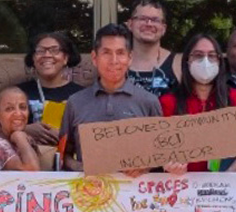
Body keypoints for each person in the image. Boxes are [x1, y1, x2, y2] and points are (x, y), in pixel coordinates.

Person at [58, 24, 164, 174]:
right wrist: (82, 168)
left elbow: (162, 156)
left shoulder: (149, 102)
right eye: (106, 53)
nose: (114, 60)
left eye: (120, 53)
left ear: (130, 58)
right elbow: (64, 154)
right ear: (95, 58)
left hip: (135, 193)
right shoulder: (75, 102)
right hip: (90, 192)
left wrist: (145, 166)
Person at [159, 33, 236, 172]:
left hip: (225, 189)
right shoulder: (168, 102)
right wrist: (170, 166)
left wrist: (226, 178)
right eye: (198, 55)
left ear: (219, 61)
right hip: (182, 186)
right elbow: (160, 151)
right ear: (187, 60)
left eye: (212, 55)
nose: (205, 61)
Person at [17, 31, 84, 151]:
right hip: (28, 165)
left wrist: (66, 137)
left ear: (65, 58)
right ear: (33, 59)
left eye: (54, 50)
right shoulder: (17, 93)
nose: (47, 55)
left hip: (72, 166)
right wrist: (24, 129)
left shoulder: (82, 96)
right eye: (40, 51)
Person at [125, 0, 180, 97]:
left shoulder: (177, 64)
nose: (149, 24)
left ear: (164, 29)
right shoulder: (118, 62)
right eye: (142, 18)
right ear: (130, 24)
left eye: (155, 20)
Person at [0, 87, 42, 171]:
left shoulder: (21, 139)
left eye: (23, 107)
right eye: (9, 109)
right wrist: (21, 139)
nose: (18, 113)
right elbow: (32, 172)